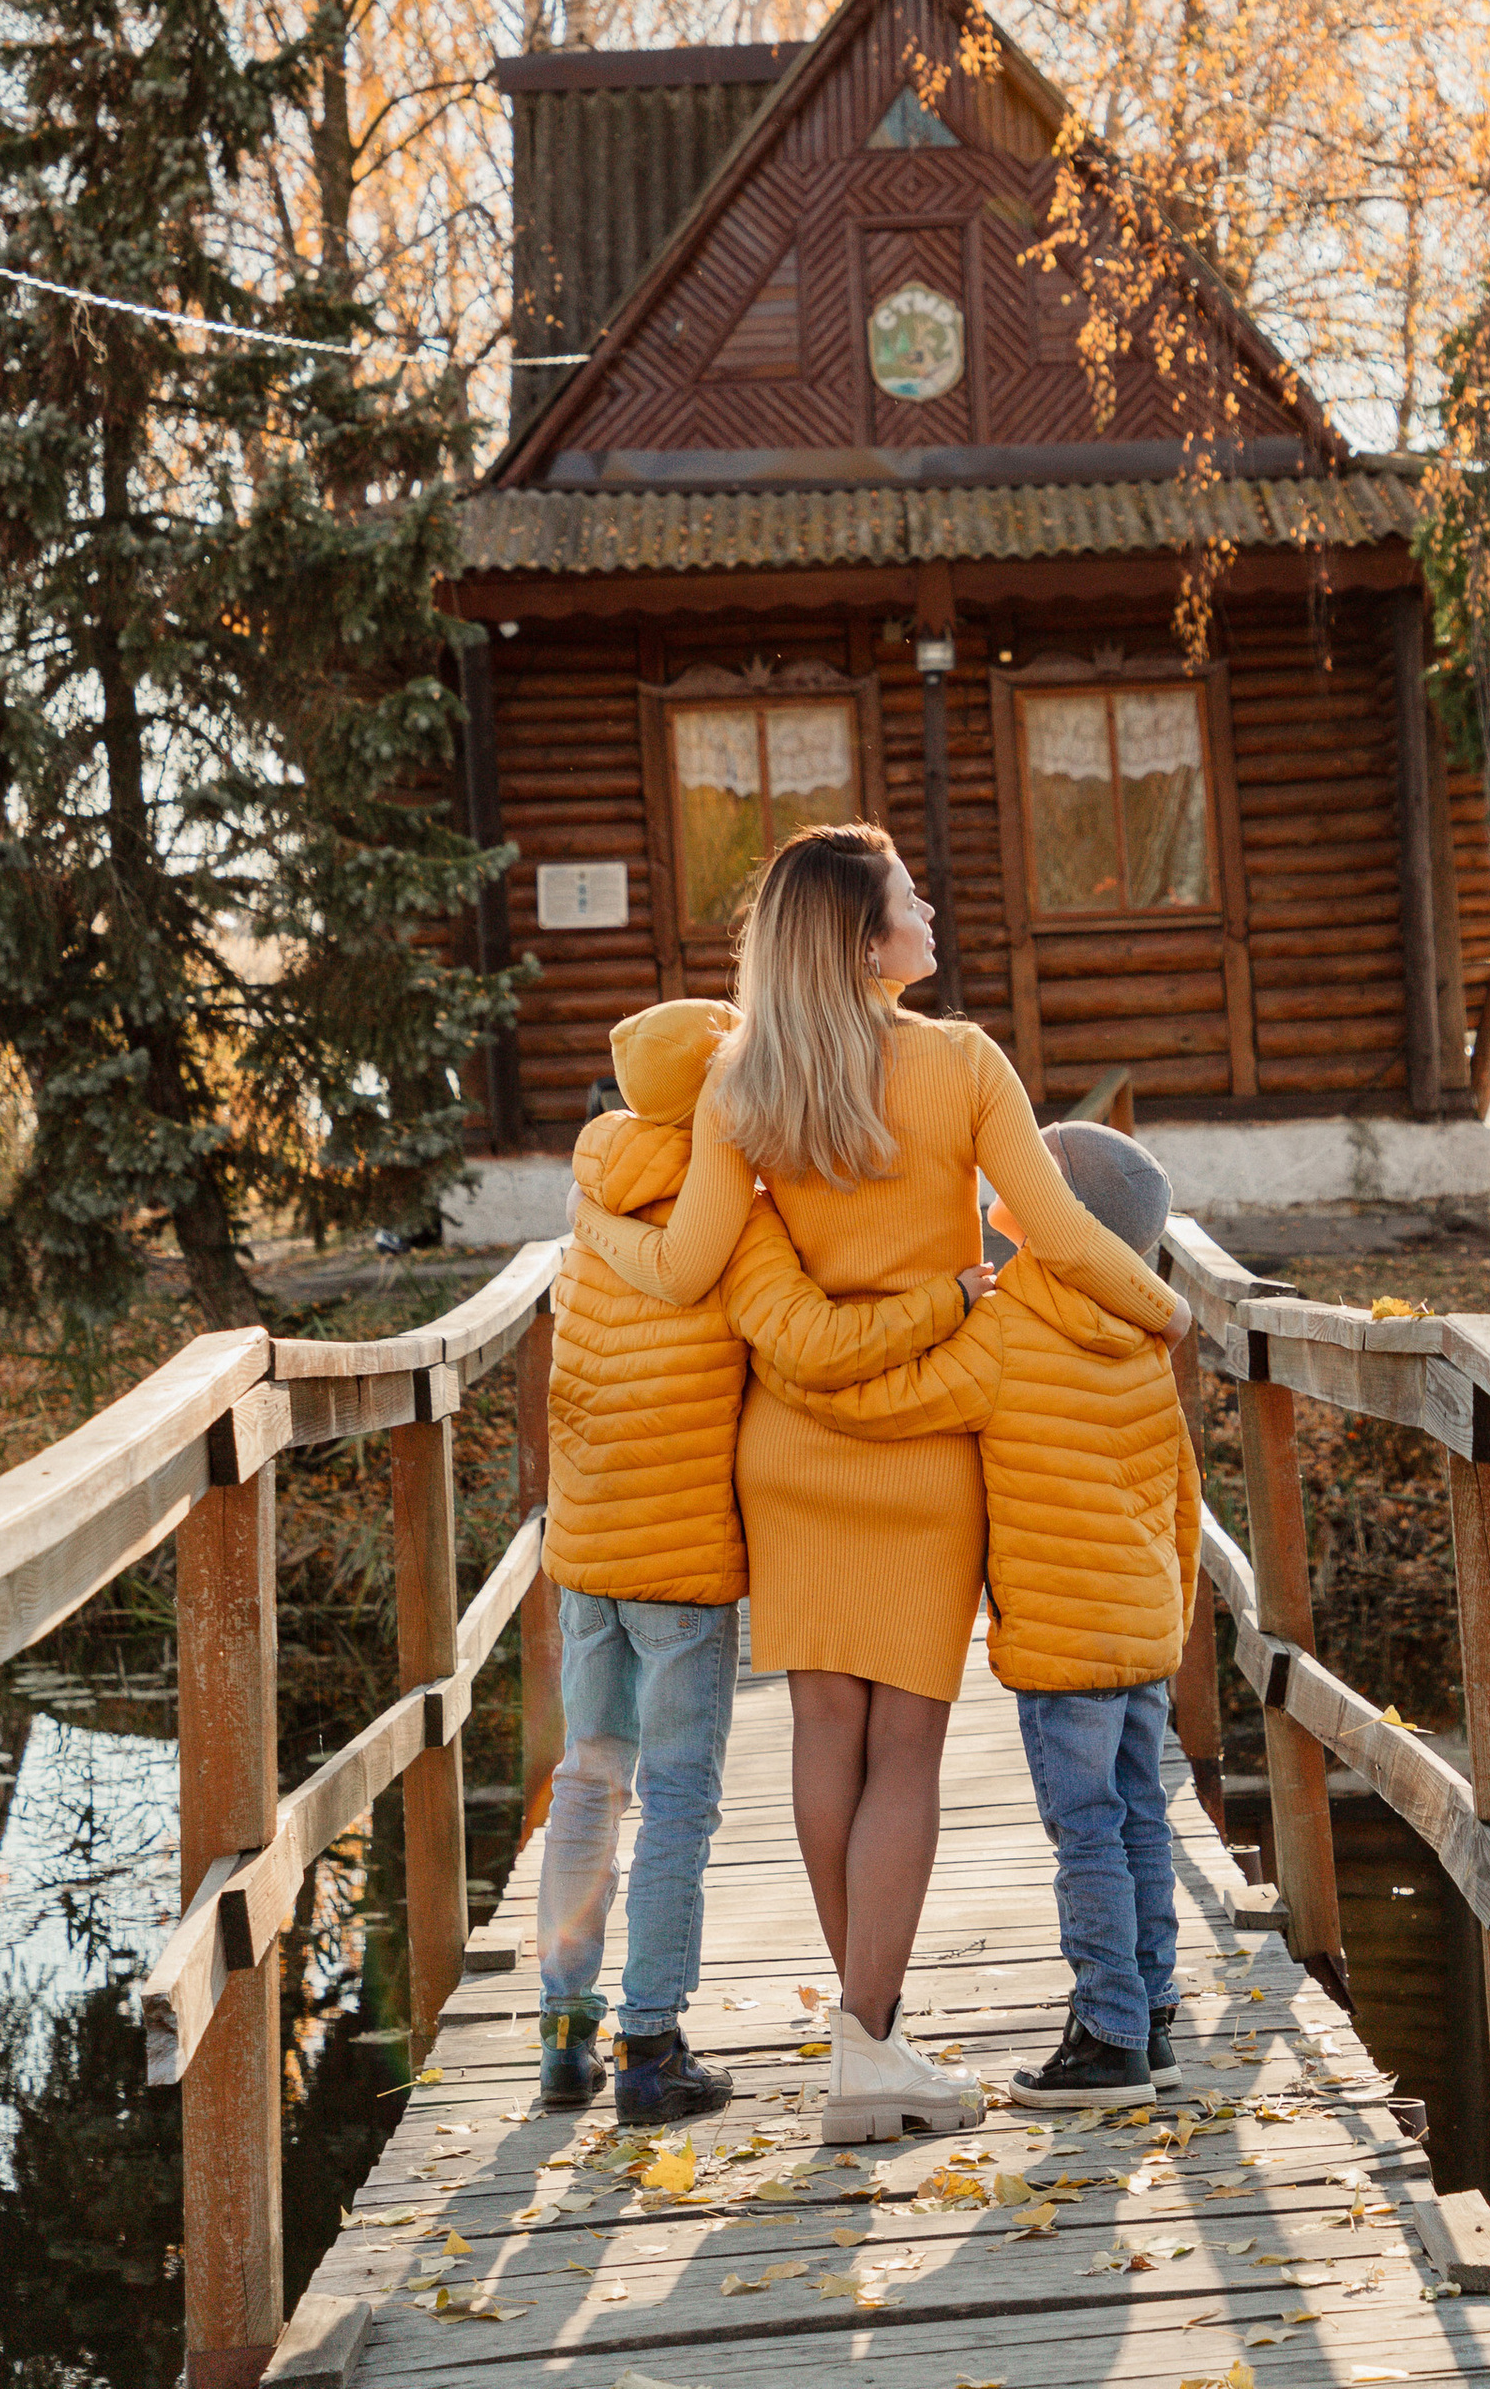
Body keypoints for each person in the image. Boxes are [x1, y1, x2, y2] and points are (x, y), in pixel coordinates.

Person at [569, 820, 1191, 2138]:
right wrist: (1168, 1311)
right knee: (906, 1751)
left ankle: (874, 2043)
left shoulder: (742, 1084)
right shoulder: (961, 1063)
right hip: (925, 1450)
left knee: (823, 1736)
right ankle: (866, 2048)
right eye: (911, 900)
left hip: (792, 1450)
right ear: (864, 943)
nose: (931, 915)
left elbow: (687, 1271)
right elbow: (1059, 1232)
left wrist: (595, 1230)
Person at [534, 987, 983, 2120]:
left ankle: (564, 2035)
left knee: (588, 1776)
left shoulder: (595, 1193)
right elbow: (802, 1335)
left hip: (584, 1545)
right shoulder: (729, 1211)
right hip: (682, 1553)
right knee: (678, 1796)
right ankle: (650, 2048)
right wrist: (947, 1299)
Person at [770, 1117, 1198, 2110]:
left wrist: (797, 1375)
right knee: (1140, 1820)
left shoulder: (1007, 1329)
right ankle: (1152, 2014)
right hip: (1141, 1630)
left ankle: (1106, 2036)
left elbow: (892, 1403)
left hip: (1061, 1640)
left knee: (1086, 1830)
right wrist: (1170, 1617)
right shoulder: (1142, 1334)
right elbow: (1183, 1496)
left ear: (1052, 1213)